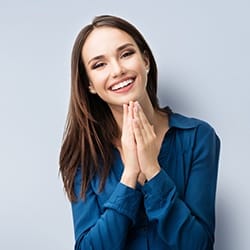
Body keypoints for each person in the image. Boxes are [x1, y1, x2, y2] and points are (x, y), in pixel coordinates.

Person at [59, 15, 220, 250]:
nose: (118, 70)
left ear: (145, 60)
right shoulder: (83, 156)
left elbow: (199, 245)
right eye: (99, 64)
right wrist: (130, 175)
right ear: (90, 84)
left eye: (126, 54)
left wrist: (153, 170)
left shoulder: (198, 137)